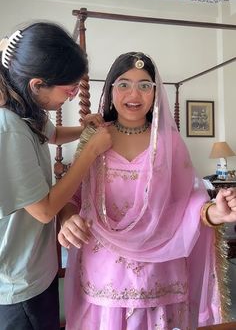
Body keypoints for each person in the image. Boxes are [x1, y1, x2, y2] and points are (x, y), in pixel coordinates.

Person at [58, 52, 236, 330]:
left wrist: (216, 212)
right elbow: (72, 196)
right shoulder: (94, 138)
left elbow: (188, 201)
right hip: (106, 271)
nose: (134, 93)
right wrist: (67, 217)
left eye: (144, 85)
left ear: (155, 93)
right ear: (111, 89)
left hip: (159, 270)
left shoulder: (170, 143)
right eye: (124, 84)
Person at [0, 22, 112, 330]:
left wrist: (87, 130)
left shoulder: (26, 109)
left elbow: (57, 134)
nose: (72, 97)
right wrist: (89, 152)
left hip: (37, 266)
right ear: (37, 84)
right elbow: (45, 209)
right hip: (18, 280)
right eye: (69, 90)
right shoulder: (7, 126)